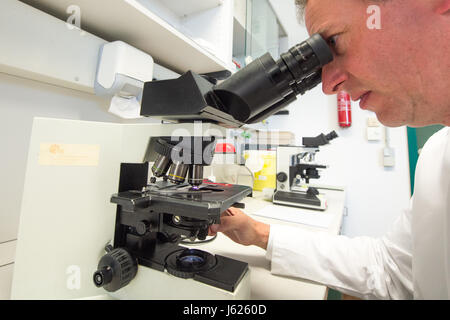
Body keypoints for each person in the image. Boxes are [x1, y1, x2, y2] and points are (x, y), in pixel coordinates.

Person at [209, 0, 450, 299]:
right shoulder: (437, 155)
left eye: (334, 41)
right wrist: (259, 233)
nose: (328, 86)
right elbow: (387, 269)